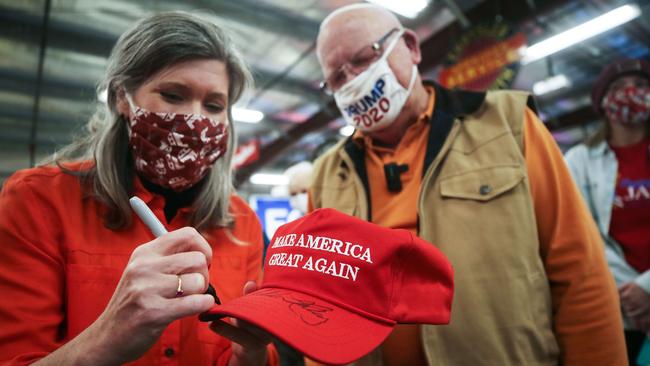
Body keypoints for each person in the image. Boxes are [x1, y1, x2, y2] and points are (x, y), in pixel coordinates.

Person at [308, 3, 627, 365]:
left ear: (411, 47)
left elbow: (579, 273)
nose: (352, 80)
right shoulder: (326, 174)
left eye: (364, 58)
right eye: (336, 77)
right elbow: (318, 304)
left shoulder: (508, 125)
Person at [0, 12, 277, 366]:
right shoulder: (38, 201)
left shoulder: (242, 223)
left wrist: (250, 354)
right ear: (121, 98)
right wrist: (110, 335)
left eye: (214, 105)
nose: (196, 119)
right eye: (173, 95)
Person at [565, 58, 650, 364]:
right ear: (603, 102)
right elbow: (579, 231)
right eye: (617, 88)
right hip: (620, 302)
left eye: (640, 85)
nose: (630, 92)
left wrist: (647, 287)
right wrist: (634, 296)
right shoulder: (579, 160)